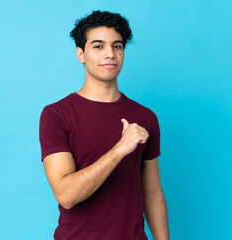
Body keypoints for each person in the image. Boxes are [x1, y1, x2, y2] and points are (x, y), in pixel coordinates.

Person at [39, 10, 170, 240]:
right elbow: (67, 195)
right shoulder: (56, 115)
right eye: (98, 46)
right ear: (80, 54)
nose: (110, 54)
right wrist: (120, 149)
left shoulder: (145, 117)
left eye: (117, 46)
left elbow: (152, 194)